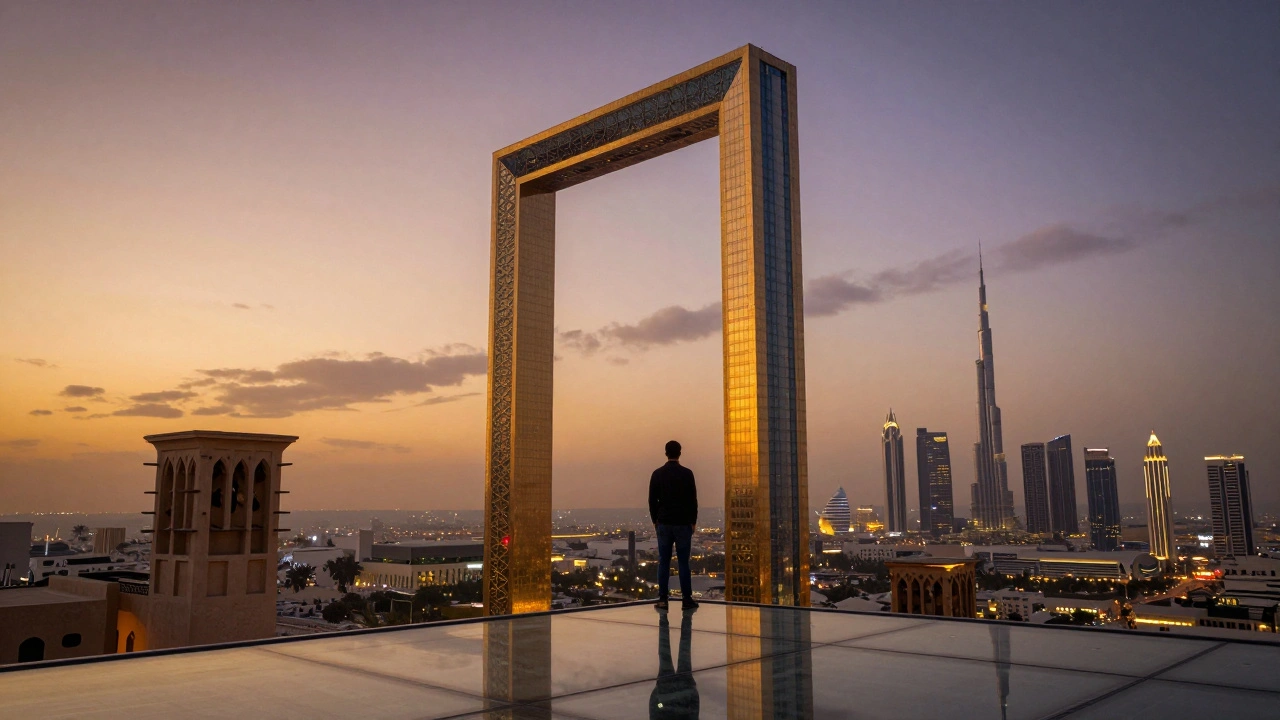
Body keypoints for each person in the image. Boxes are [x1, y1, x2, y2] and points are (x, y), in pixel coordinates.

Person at [649, 440, 698, 611]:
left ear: (666, 453)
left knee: (664, 561)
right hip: (683, 523)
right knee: (683, 562)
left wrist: (655, 519)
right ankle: (687, 599)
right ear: (680, 453)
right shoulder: (687, 474)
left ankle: (663, 599)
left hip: (664, 523)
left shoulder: (657, 474)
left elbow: (652, 500)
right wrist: (693, 521)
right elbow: (693, 500)